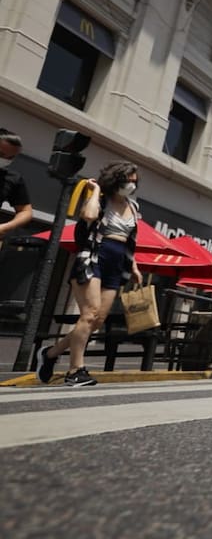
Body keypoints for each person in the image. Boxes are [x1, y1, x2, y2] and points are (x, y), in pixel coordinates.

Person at [37, 161, 143, 387]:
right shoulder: (100, 200)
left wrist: (133, 266)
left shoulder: (133, 207)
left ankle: (50, 354)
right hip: (93, 257)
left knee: (96, 321)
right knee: (89, 313)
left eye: (135, 181)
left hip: (117, 264)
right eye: (127, 180)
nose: (131, 185)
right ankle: (75, 370)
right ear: (116, 179)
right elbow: (88, 216)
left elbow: (130, 240)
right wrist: (96, 191)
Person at [0, 129, 33, 243]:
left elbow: (26, 211)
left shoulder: (12, 178)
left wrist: (5, 227)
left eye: (10, 157)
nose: (4, 160)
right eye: (1, 154)